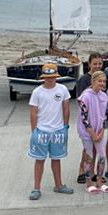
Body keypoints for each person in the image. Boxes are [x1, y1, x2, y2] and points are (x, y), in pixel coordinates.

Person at [27, 63, 74, 200]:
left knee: (56, 158)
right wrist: (34, 131)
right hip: (41, 130)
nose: (50, 79)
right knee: (39, 160)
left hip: (58, 130)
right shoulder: (37, 92)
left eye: (53, 76)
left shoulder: (63, 89)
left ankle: (58, 185)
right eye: (48, 77)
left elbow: (66, 109)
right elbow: (33, 113)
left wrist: (65, 127)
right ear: (43, 77)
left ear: (56, 76)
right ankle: (36, 188)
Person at [77, 70, 108, 194]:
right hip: (87, 132)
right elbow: (84, 118)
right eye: (99, 81)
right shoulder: (85, 96)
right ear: (93, 81)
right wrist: (92, 134)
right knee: (89, 156)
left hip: (99, 131)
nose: (102, 83)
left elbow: (105, 116)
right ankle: (89, 182)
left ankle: (99, 181)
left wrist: (101, 132)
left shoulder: (104, 96)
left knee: (102, 156)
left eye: (104, 81)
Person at [76, 52, 104, 184]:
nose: (97, 66)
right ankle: (82, 170)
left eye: (100, 63)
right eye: (95, 64)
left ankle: (92, 172)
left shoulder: (103, 78)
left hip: (98, 120)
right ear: (89, 65)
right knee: (87, 148)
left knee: (96, 148)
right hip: (87, 122)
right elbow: (81, 103)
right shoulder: (83, 80)